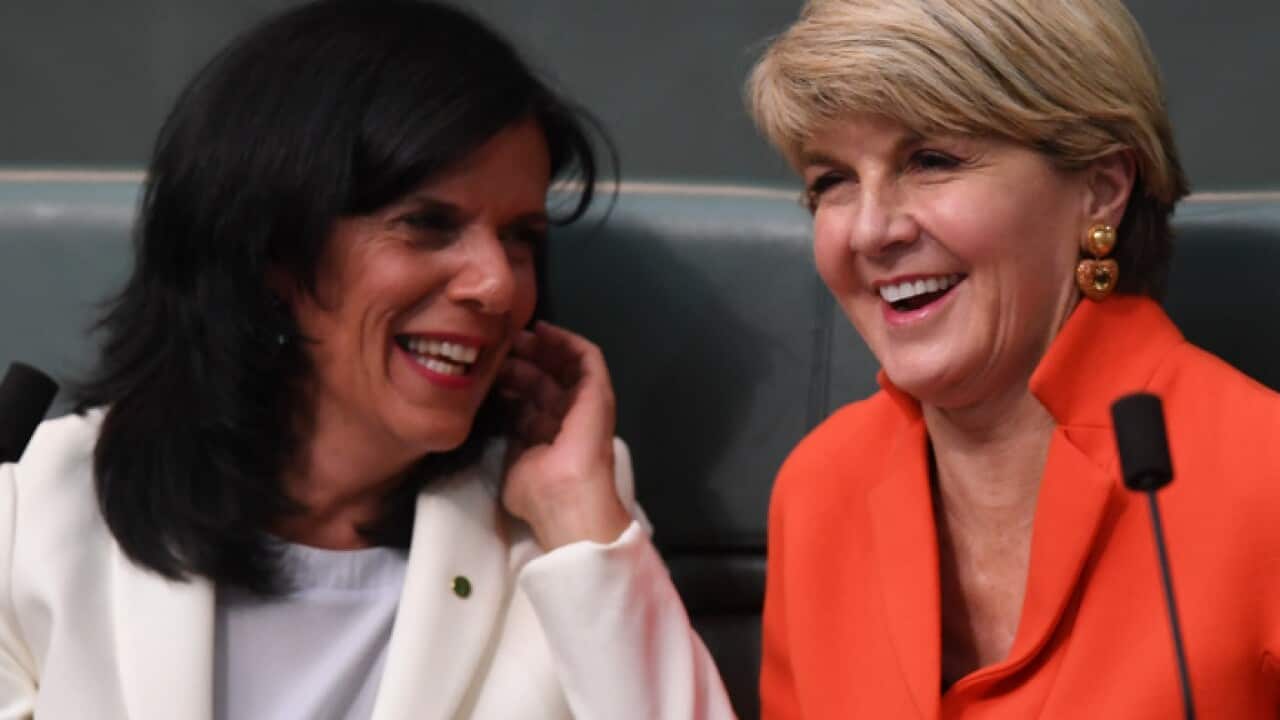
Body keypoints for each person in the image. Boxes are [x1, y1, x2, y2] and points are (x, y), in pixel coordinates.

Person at [0, 2, 736, 718]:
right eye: (427, 224)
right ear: (273, 254)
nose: (497, 283)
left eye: (520, 237)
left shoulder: (560, 531)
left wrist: (580, 513)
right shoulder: (35, 514)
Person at [748, 0, 1280, 717]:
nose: (870, 230)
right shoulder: (819, 491)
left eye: (931, 159)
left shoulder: (1264, 480)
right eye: (832, 182)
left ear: (1102, 189)